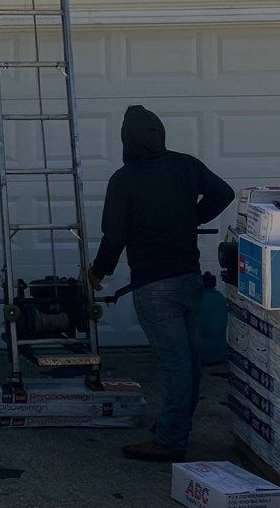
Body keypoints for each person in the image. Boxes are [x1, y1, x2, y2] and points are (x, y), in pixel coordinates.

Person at [89, 105, 235, 462]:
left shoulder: (124, 180)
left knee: (176, 364)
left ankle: (170, 441)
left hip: (155, 287)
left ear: (127, 140)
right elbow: (224, 193)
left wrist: (98, 272)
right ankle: (175, 426)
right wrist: (190, 217)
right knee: (190, 361)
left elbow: (115, 236)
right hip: (190, 281)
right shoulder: (185, 165)